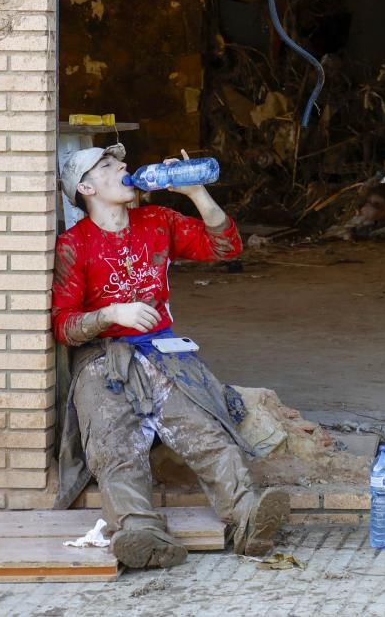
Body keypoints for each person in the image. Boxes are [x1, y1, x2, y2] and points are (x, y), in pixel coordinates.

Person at [51, 143, 289, 570]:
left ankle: (250, 518)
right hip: (103, 359)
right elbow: (64, 325)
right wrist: (109, 314)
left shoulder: (157, 221)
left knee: (204, 429)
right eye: (108, 165)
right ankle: (140, 533)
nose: (124, 166)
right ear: (86, 188)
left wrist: (197, 193)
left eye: (120, 160)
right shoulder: (74, 244)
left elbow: (225, 247)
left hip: (163, 353)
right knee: (113, 443)